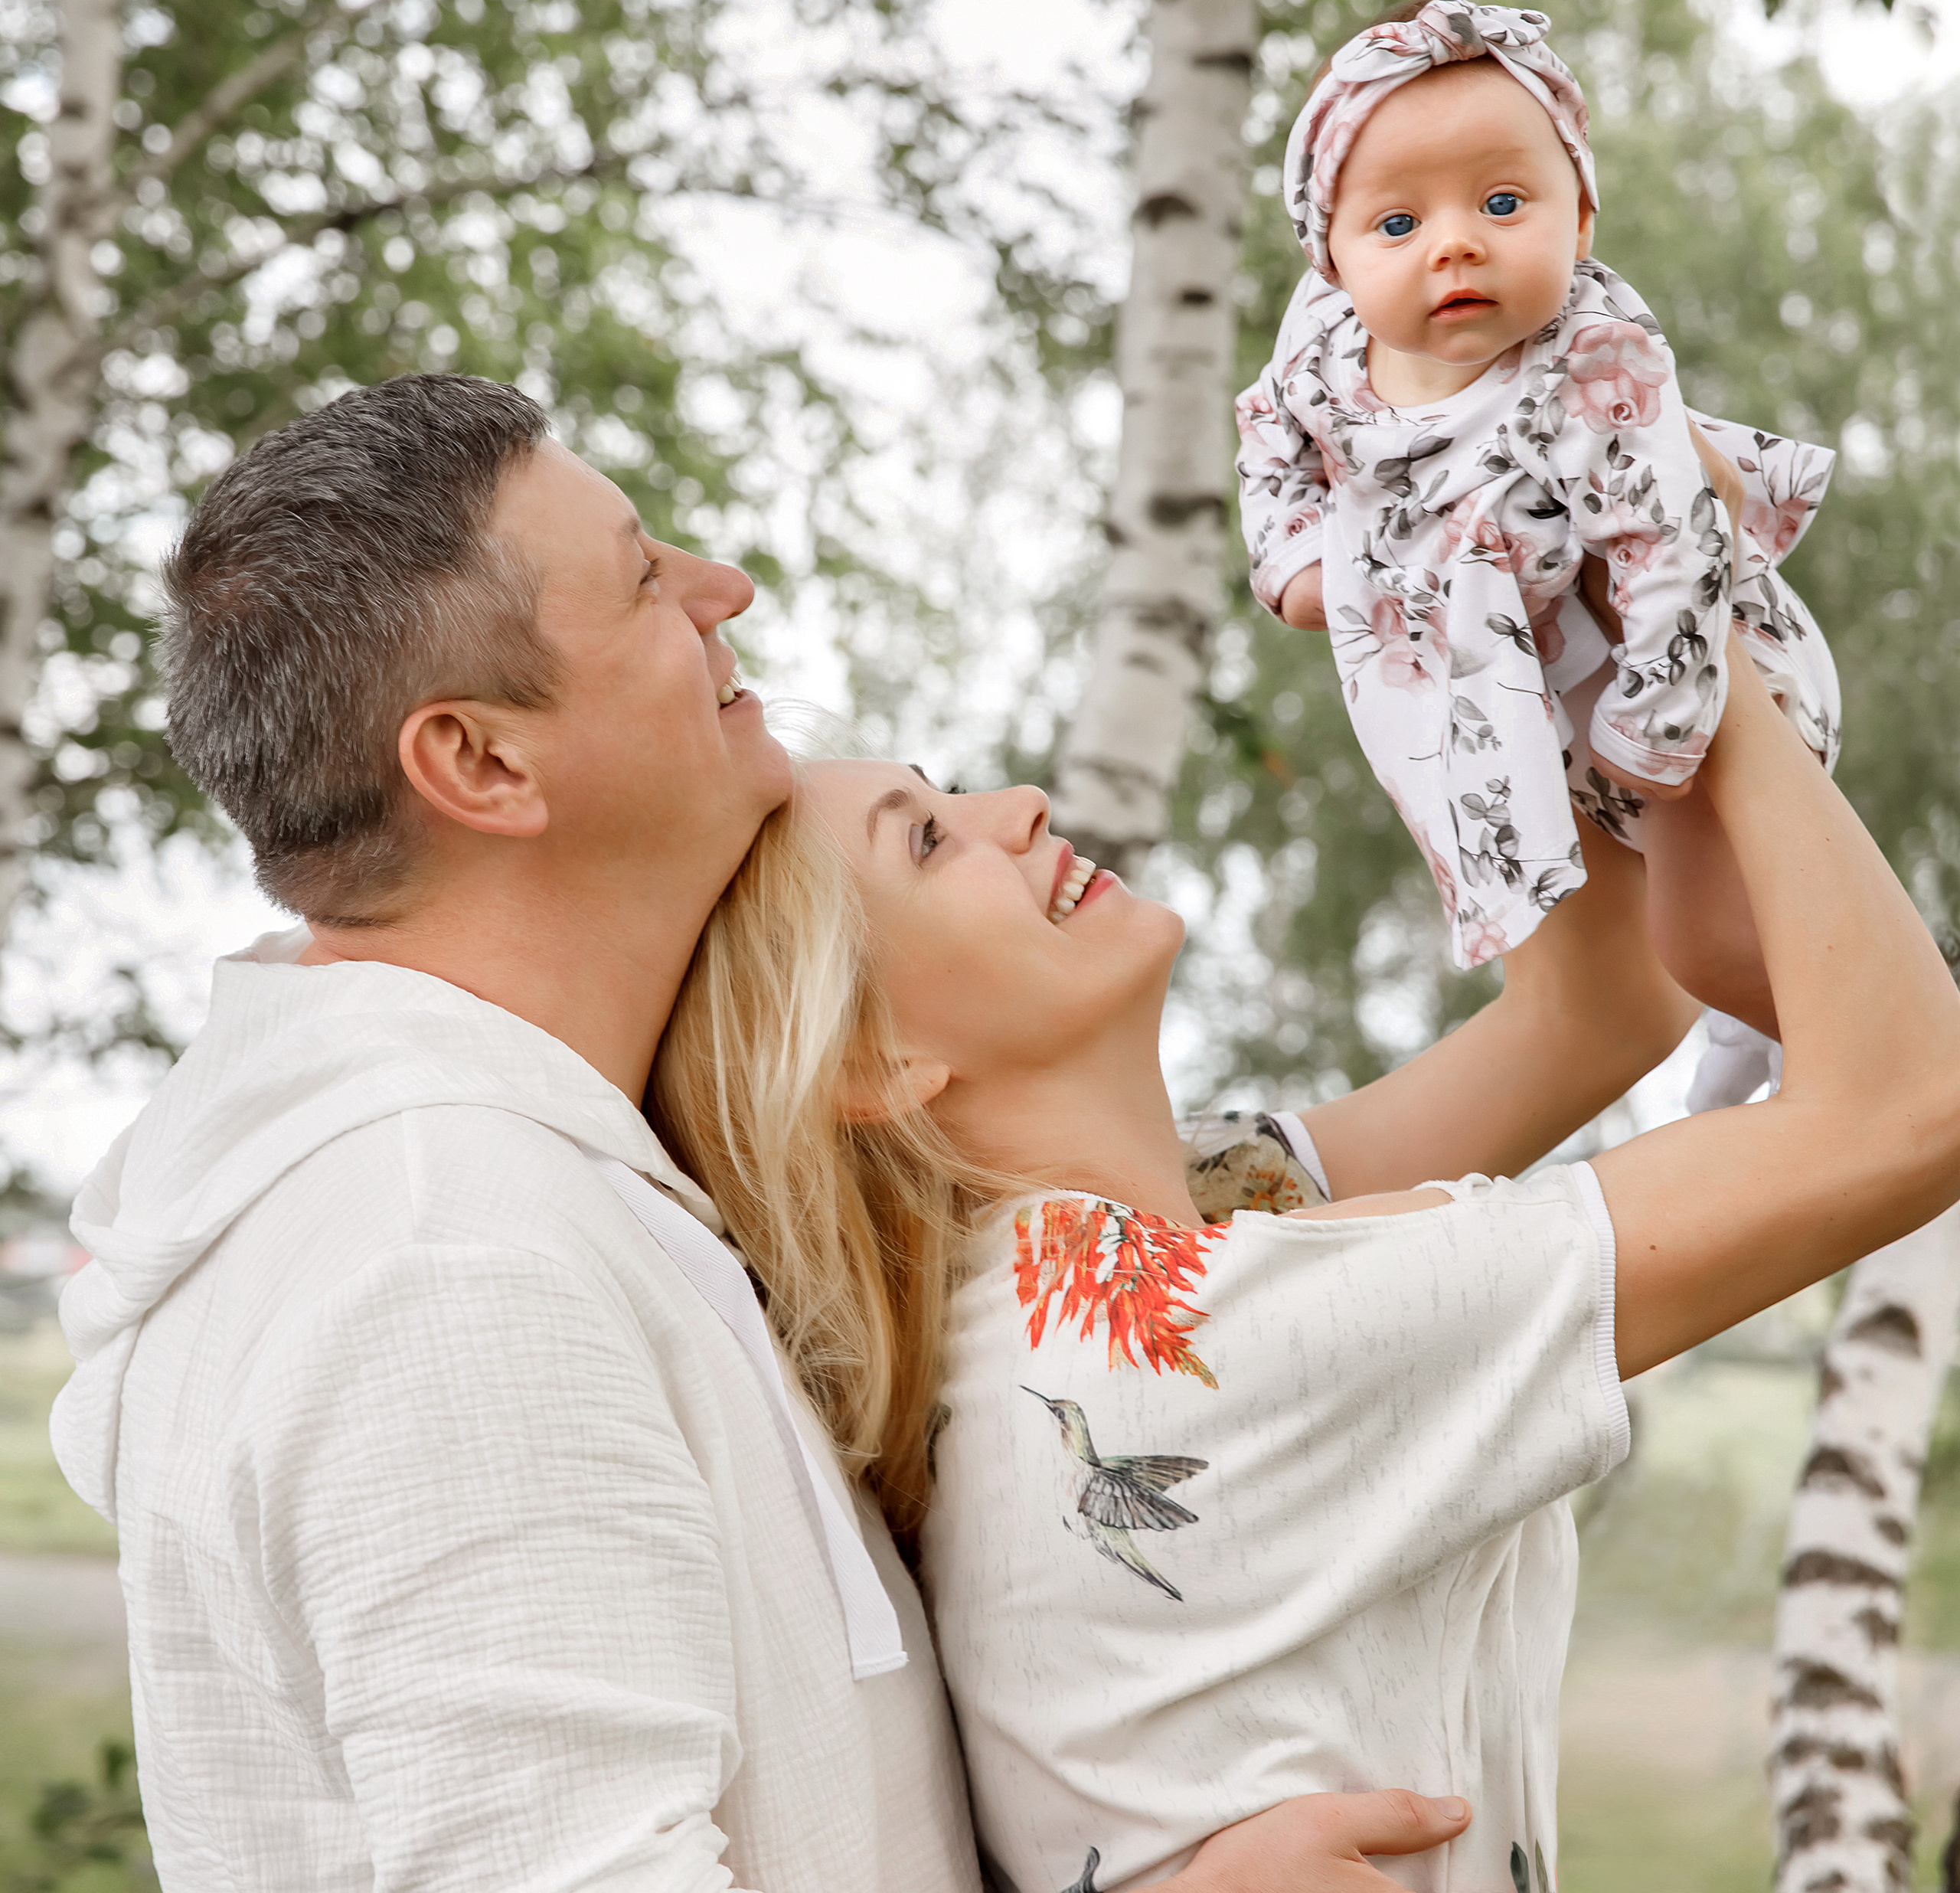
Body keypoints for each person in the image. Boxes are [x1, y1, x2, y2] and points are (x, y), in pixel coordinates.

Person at [49, 373, 1499, 1891]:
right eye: (642, 580)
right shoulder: (439, 1253)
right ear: (480, 761)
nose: (720, 587)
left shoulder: (547, 1172)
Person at [655, 653, 1960, 1888]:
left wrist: (1454, 586)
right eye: (929, 840)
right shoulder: (1181, 1342)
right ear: (879, 1066)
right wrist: (1693, 616)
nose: (1017, 804)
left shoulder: (1081, 1273)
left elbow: (1604, 1008)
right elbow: (1916, 1105)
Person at [1234, 0, 1840, 1109]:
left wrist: (1649, 740)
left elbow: (1673, 554)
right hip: (1545, 711)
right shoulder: (1321, 352)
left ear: (1582, 223)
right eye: (1397, 225)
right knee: (1650, 940)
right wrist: (1293, 564)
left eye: (1504, 202)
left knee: (1703, 933)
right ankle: (1754, 1021)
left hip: (1689, 692)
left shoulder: (1595, 369)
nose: (1455, 241)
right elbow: (1267, 441)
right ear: (1331, 255)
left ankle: (1811, 1035)